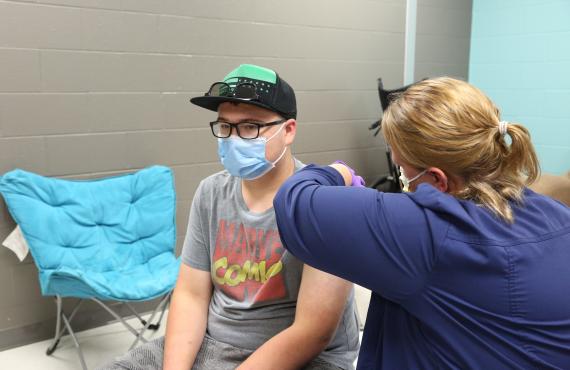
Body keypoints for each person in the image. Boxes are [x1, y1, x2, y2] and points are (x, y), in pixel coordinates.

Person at [273, 77, 570, 369]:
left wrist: (339, 173)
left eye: (402, 169)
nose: (401, 178)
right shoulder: (554, 212)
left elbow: (293, 204)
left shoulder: (430, 233)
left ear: (438, 180)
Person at [98, 64, 359, 370]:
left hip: (305, 357)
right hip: (215, 341)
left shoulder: (324, 203)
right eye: (224, 126)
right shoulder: (211, 193)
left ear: (288, 130)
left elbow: (312, 332)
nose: (233, 139)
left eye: (250, 127)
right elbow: (192, 295)